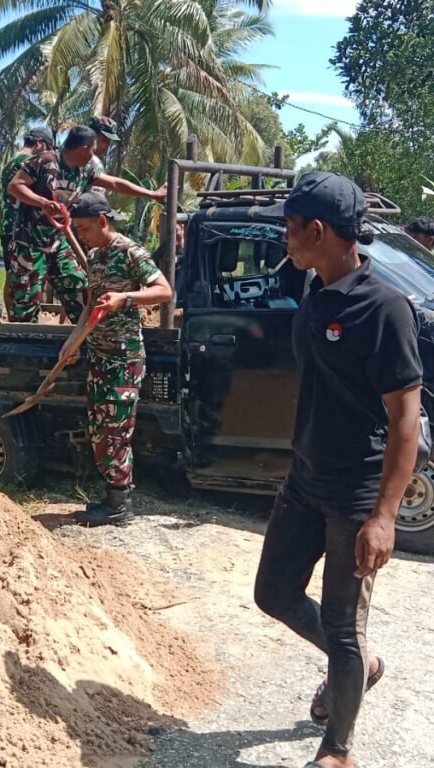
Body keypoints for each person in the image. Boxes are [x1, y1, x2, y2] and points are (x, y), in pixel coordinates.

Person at [253, 172, 423, 768]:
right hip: (305, 481)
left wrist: (385, 517)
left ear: (318, 231)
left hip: (355, 493)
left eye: (290, 227)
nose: (284, 238)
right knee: (273, 594)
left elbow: (405, 418)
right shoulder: (315, 291)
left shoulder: (385, 310)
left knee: (343, 628)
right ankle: (360, 667)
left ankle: (338, 749)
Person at [58, 192, 172, 526]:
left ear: (102, 221)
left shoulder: (131, 252)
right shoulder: (95, 256)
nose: (80, 235)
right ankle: (111, 496)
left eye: (83, 228)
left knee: (116, 431)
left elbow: (165, 291)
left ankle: (120, 505)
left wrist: (125, 298)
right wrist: (72, 343)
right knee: (99, 429)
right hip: (99, 356)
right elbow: (90, 308)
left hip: (124, 359)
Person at [7, 125, 167, 323]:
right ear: (83, 149)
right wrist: (43, 203)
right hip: (29, 243)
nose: (94, 154)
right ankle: (24, 340)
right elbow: (15, 186)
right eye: (92, 149)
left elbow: (114, 183)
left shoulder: (85, 170)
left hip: (57, 242)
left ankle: (84, 335)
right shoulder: (45, 161)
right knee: (26, 303)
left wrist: (151, 194)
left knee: (79, 286)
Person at [0, 127, 55, 311]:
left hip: (8, 225)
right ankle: (23, 316)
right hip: (23, 229)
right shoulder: (30, 162)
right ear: (39, 143)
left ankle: (12, 316)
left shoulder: (11, 161)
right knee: (30, 279)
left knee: (12, 276)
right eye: (48, 149)